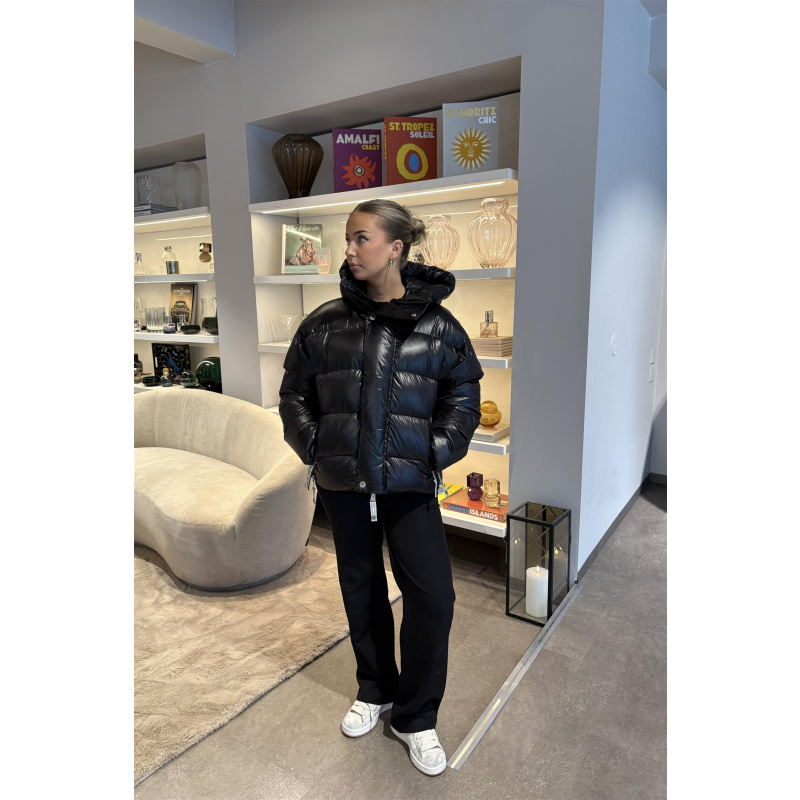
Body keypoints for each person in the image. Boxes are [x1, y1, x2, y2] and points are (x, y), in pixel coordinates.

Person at [278, 198, 484, 777]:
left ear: (395, 247)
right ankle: (374, 688)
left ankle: (415, 717)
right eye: (347, 238)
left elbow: (464, 398)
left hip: (409, 485)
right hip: (345, 485)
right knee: (360, 589)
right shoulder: (323, 323)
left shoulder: (440, 327)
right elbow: (294, 395)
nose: (348, 249)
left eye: (360, 238)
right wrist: (319, 447)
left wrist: (432, 451)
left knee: (433, 597)